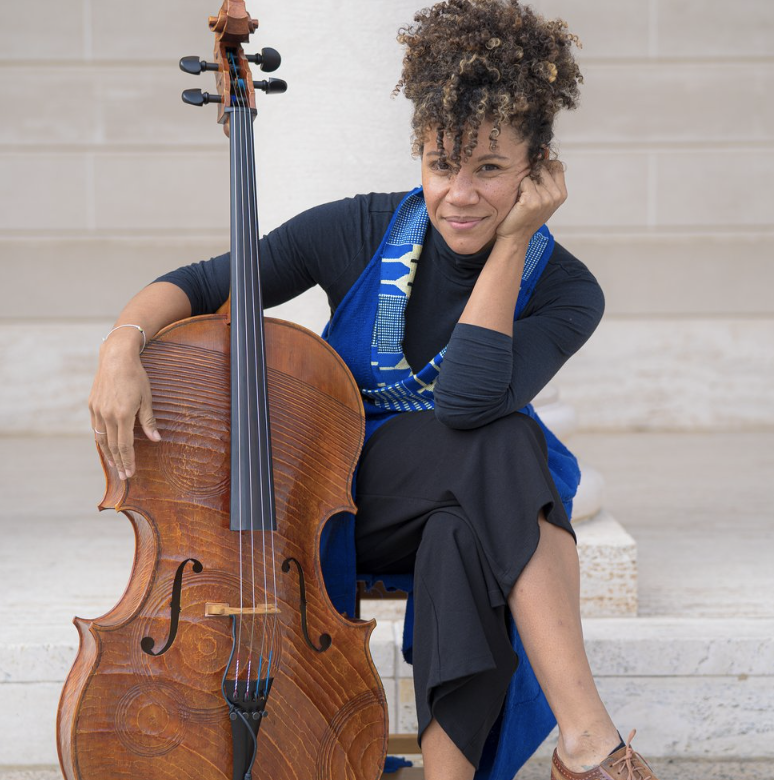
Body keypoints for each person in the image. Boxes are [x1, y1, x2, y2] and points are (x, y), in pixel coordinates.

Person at [89, 1, 660, 779]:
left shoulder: (565, 288)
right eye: (440, 164)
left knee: (476, 496)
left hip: (468, 496)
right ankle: (590, 743)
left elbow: (465, 397)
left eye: (489, 169)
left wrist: (515, 242)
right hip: (332, 502)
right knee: (506, 445)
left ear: (538, 170)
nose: (459, 194)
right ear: (418, 157)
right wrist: (123, 344)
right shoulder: (358, 231)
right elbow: (202, 283)